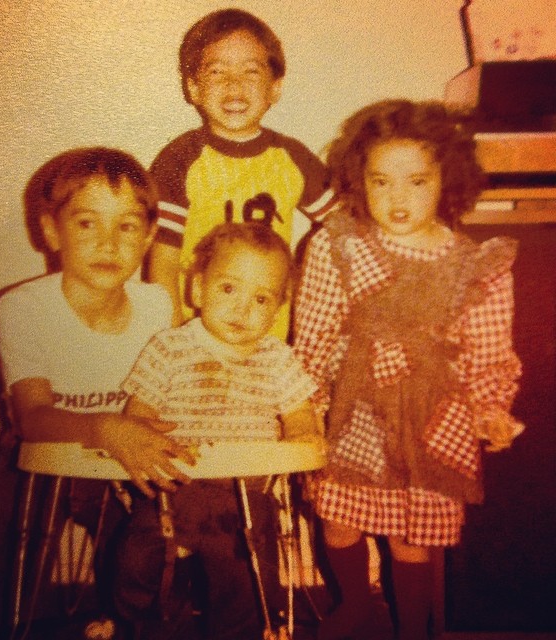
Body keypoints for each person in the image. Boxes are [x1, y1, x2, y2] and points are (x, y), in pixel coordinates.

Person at [293, 100, 524, 640]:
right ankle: (354, 602)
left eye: (416, 181)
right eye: (381, 182)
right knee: (338, 515)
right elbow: (314, 332)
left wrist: (490, 409)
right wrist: (302, 407)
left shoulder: (475, 265)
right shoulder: (338, 245)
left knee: (410, 535)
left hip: (430, 415)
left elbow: (488, 350)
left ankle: (412, 624)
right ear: (360, 181)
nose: (397, 198)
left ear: (447, 180)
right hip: (357, 407)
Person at [0, 147, 196, 635]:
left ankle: (143, 612)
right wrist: (106, 427)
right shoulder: (21, 308)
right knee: (12, 565)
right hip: (44, 455)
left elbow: (172, 395)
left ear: (149, 237)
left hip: (126, 457)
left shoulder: (155, 305)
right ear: (50, 231)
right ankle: (8, 616)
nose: (108, 242)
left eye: (127, 227)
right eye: (87, 224)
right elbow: (32, 417)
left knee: (166, 524)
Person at [114, 222, 324, 640]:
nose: (243, 308)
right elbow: (138, 417)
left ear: (279, 307)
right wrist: (136, 443)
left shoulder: (278, 359)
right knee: (138, 567)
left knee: (248, 583)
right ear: (197, 289)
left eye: (261, 298)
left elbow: (300, 415)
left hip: (243, 498)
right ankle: (148, 628)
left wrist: (303, 439)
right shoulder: (168, 348)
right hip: (168, 489)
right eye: (229, 289)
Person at [148, 8, 336, 333]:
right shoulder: (178, 159)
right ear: (193, 88)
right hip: (195, 330)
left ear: (274, 89)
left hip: (268, 333)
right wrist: (173, 337)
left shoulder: (293, 158)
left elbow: (344, 227)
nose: (234, 85)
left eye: (251, 72)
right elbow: (162, 261)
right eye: (217, 72)